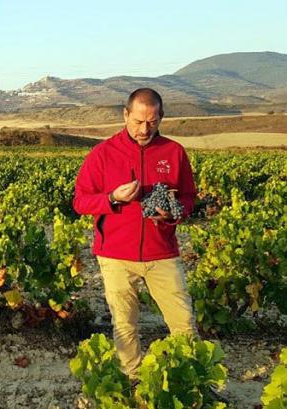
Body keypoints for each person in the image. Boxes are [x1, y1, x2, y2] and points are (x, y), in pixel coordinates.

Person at [72, 88, 197, 380]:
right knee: (125, 325)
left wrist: (175, 211)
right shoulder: (103, 153)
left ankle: (191, 379)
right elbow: (79, 202)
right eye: (138, 121)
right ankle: (133, 380)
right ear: (125, 115)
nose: (144, 129)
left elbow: (189, 197)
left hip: (162, 252)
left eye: (152, 122)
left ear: (161, 117)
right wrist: (113, 198)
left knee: (183, 323)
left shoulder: (174, 152)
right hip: (115, 254)